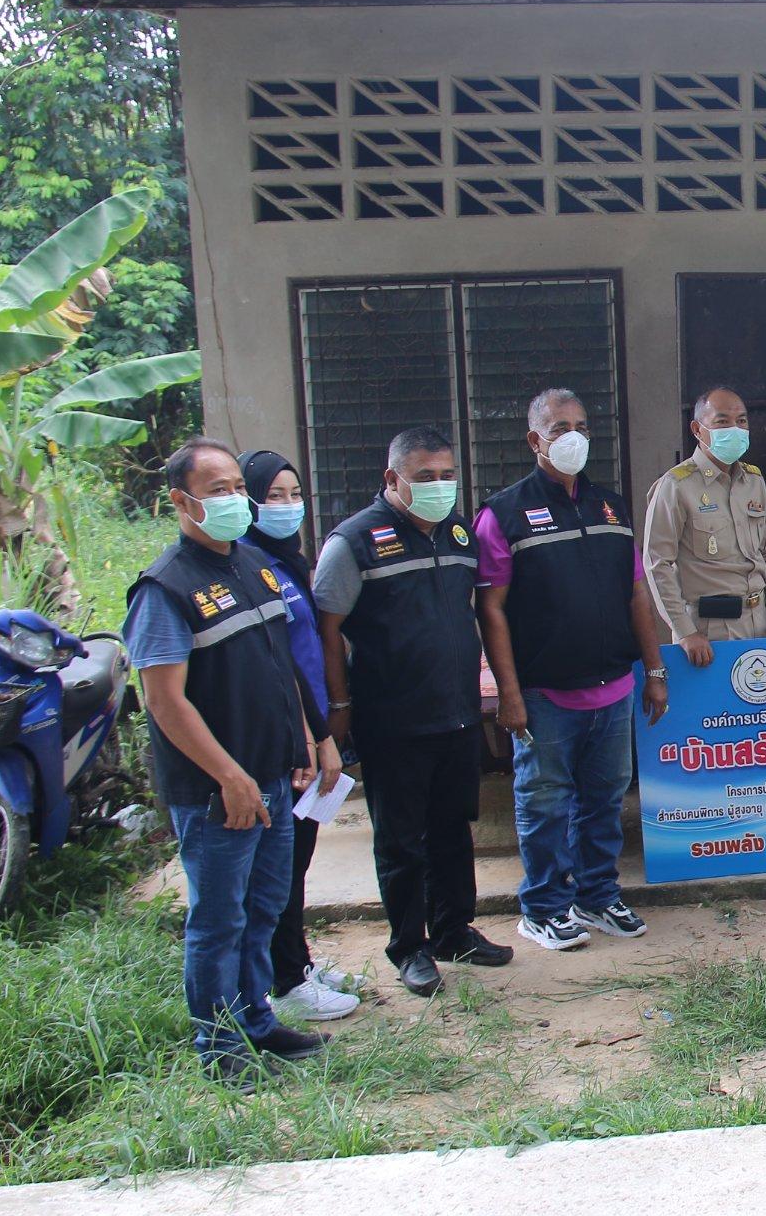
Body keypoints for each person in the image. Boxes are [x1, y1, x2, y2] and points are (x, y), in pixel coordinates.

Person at [124, 437, 326, 1085]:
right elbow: (164, 700)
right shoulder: (164, 588)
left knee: (264, 907)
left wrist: (300, 741)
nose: (235, 499)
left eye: (239, 487)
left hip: (272, 776)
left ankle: (257, 1021)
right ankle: (220, 1047)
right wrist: (231, 777)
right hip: (219, 792)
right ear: (181, 501)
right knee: (218, 920)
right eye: (218, 490)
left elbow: (280, 664)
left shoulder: (254, 564)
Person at [317, 427, 511, 998]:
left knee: (453, 829)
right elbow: (327, 629)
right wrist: (339, 705)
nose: (439, 486)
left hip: (456, 713)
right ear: (392, 479)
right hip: (392, 721)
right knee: (402, 841)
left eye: (447, 475)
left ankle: (454, 930)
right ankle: (409, 947)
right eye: (425, 477)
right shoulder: (354, 541)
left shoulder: (458, 533)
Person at [476, 388, 668, 953]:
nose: (574, 437)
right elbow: (491, 609)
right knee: (545, 804)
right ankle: (542, 908)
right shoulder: (503, 514)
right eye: (560, 428)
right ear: (534, 440)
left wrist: (654, 669)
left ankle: (596, 896)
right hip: (545, 695)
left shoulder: (610, 506)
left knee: (604, 800)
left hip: (613, 689)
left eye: (581, 426)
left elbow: (636, 593)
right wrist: (509, 693)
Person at [239, 448, 357, 1024]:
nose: (287, 506)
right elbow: (273, 666)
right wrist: (310, 737)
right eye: (272, 496)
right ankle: (284, 980)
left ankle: (295, 962)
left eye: (293, 495)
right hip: (290, 741)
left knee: (296, 858)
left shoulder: (286, 562)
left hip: (310, 729)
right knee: (279, 867)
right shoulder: (246, 566)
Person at [644, 385, 766, 664]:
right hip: (707, 632)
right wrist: (685, 631)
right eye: (723, 422)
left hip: (762, 623)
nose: (735, 430)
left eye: (741, 421)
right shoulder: (676, 486)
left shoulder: (753, 481)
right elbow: (658, 564)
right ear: (697, 429)